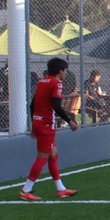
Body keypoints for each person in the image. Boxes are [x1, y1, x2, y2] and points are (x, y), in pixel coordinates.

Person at [18, 57, 79, 200]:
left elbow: (32, 105)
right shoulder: (57, 83)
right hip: (46, 125)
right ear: (60, 71)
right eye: (65, 71)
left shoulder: (41, 82)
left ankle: (61, 189)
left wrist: (34, 123)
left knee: (53, 154)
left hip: (39, 123)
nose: (65, 73)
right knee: (42, 157)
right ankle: (26, 190)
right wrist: (69, 121)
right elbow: (56, 106)